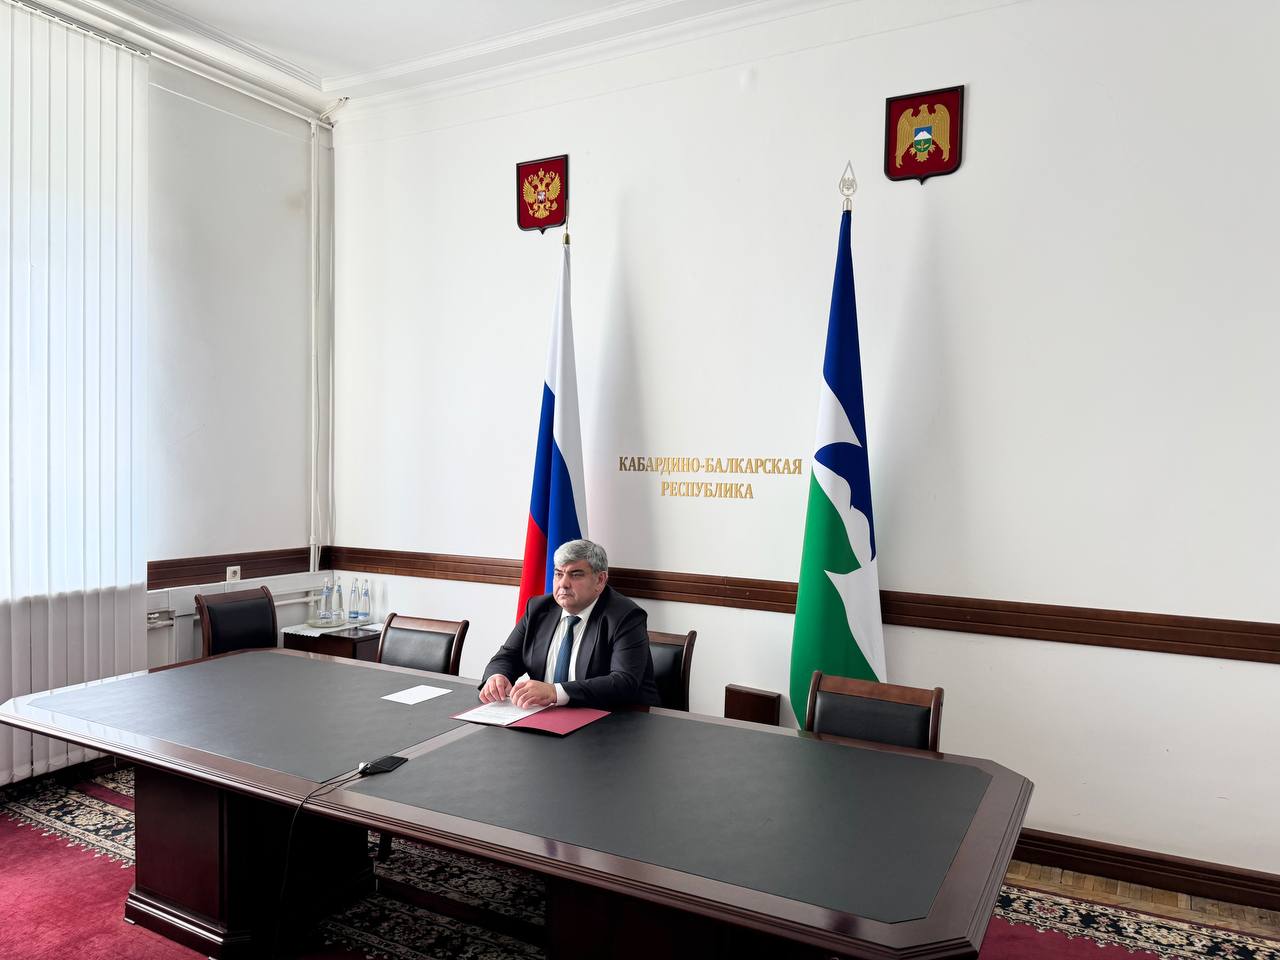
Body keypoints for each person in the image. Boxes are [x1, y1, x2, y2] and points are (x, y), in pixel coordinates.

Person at [479, 539, 660, 710]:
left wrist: (555, 692)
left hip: (615, 719)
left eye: (575, 575)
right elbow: (507, 656)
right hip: (547, 716)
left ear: (600, 580)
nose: (563, 584)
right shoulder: (538, 609)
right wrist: (497, 677)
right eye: (558, 574)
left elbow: (623, 682)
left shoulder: (625, 616)